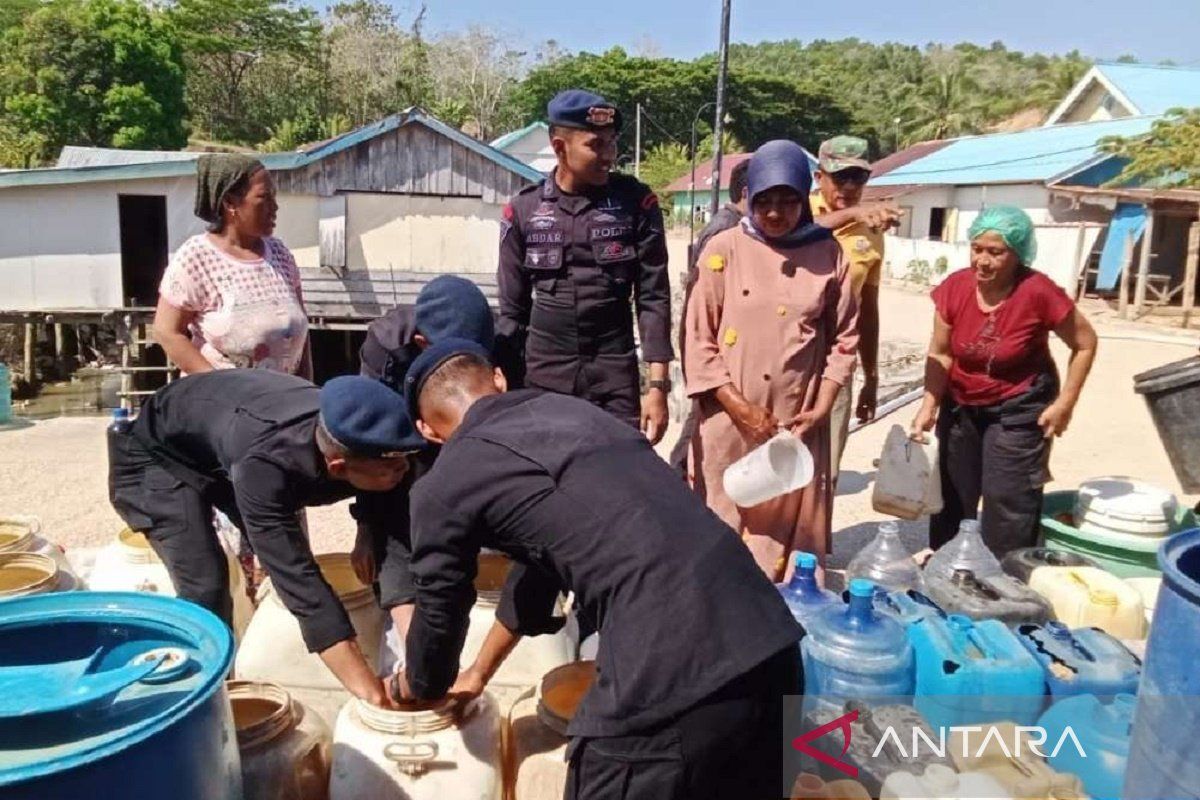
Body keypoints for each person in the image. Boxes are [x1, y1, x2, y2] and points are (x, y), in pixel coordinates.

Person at [394, 338, 803, 800]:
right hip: (773, 649)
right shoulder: (578, 415)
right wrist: (479, 674)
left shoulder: (442, 485)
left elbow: (439, 611)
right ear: (499, 380)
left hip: (669, 686)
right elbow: (539, 573)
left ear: (427, 430)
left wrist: (417, 683)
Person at [108, 370, 423, 708]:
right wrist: (369, 693)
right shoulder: (267, 465)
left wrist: (419, 659)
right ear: (337, 467)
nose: (403, 470)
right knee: (206, 583)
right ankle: (201, 701)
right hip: (158, 452)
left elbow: (396, 539)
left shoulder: (376, 448)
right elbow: (300, 582)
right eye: (391, 469)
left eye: (404, 461)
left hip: (223, 438)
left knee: (286, 552)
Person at [683, 140, 860, 580]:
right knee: (719, 519)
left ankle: (777, 625)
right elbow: (698, 337)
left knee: (780, 531)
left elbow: (845, 338)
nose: (776, 213)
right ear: (749, 198)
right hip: (727, 417)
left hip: (793, 421)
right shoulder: (724, 249)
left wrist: (823, 405)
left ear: (805, 198)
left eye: (788, 201)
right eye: (765, 201)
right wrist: (738, 407)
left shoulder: (829, 254)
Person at [911, 206, 1098, 555]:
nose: (982, 260)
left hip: (1018, 406)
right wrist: (929, 404)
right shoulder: (955, 288)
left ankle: (1005, 582)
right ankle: (947, 574)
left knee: (1008, 502)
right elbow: (940, 353)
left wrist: (1065, 404)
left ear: (1018, 253)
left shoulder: (1038, 291)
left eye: (996, 252)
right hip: (962, 404)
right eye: (977, 248)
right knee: (952, 497)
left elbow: (1085, 343)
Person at [496, 90, 672, 443]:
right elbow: (512, 313)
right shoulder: (524, 211)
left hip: (614, 376)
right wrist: (505, 384)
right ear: (560, 147)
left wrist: (657, 387)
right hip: (544, 377)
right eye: (596, 145)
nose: (609, 155)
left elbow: (653, 299)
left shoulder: (636, 204)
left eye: (612, 143)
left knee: (617, 479)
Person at [352, 274, 497, 647]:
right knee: (398, 500)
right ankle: (412, 636)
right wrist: (367, 530)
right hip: (407, 442)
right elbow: (371, 450)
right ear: (421, 344)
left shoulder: (498, 341)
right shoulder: (385, 350)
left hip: (467, 438)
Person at [154, 154, 311, 379]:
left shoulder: (280, 254)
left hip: (282, 402)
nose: (274, 207)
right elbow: (166, 331)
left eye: (274, 197)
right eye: (264, 198)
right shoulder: (196, 258)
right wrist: (221, 385)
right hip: (222, 405)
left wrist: (308, 393)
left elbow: (302, 338)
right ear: (230, 203)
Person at [811, 136, 888, 481]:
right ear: (819, 177)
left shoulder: (872, 231)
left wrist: (871, 376)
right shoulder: (795, 208)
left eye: (859, 178)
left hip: (837, 360)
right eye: (841, 176)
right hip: (789, 357)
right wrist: (853, 213)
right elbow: (799, 232)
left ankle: (816, 536)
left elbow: (868, 309)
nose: (850, 186)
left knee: (825, 472)